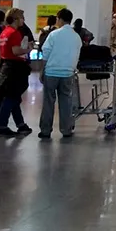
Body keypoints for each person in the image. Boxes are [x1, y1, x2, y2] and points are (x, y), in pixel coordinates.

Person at [38, 8, 82, 139]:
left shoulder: (54, 35)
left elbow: (45, 53)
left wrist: (42, 70)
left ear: (60, 19)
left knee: (48, 102)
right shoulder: (76, 37)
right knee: (66, 101)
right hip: (68, 73)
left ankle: (46, 130)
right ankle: (66, 129)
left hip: (51, 72)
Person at [0, 8, 34, 137]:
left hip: (6, 66)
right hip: (16, 68)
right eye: (22, 17)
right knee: (11, 98)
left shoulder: (4, 33)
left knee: (14, 97)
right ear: (16, 19)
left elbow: (1, 51)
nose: (23, 20)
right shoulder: (15, 33)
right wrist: (28, 49)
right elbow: (16, 51)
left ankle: (20, 124)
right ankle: (2, 125)